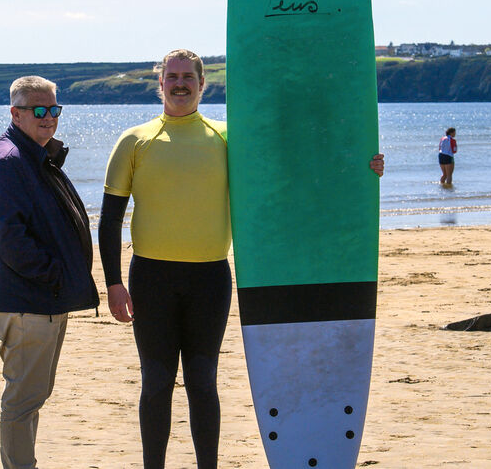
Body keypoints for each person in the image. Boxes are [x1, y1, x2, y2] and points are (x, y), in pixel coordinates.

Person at [98, 49, 384, 469]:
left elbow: (292, 166)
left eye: (188, 78)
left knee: (202, 382)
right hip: (151, 279)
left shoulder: (228, 139)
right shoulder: (135, 140)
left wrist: (362, 165)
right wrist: (114, 282)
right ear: (159, 84)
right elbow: (109, 220)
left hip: (210, 280)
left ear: (202, 84)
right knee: (156, 383)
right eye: (171, 77)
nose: (180, 84)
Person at [0, 75, 99, 469]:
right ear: (16, 113)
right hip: (28, 303)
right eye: (39, 110)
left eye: (54, 109)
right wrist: (57, 277)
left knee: (32, 396)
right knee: (23, 400)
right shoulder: (10, 161)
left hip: (43, 300)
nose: (49, 118)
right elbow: (10, 241)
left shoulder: (33, 155)